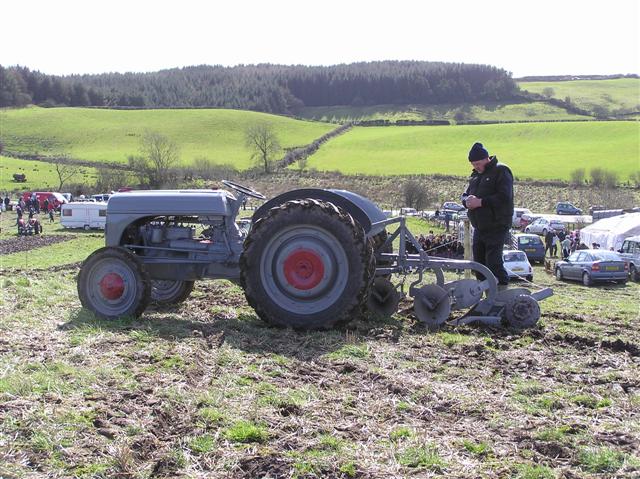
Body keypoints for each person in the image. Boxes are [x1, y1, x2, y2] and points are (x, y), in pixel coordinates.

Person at [461, 142, 514, 287]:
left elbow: (504, 197)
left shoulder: (501, 171)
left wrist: (481, 202)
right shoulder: (476, 176)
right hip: (479, 226)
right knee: (479, 265)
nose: (476, 167)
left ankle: (500, 297)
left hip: (497, 224)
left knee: (494, 263)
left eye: (478, 163)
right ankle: (486, 298)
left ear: (486, 159)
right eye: (473, 164)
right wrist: (466, 201)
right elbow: (465, 194)